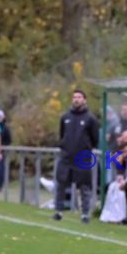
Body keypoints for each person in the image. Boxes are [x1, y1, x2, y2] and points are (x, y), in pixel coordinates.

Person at [52, 90, 99, 223]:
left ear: (84, 100)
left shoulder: (90, 119)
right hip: (66, 156)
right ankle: (58, 211)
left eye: (79, 97)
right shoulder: (65, 117)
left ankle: (85, 214)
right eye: (74, 97)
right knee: (61, 183)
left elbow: (94, 139)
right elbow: (62, 135)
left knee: (84, 186)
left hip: (82, 158)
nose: (76, 99)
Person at [0, 109, 12, 192]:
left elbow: (9, 140)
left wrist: (2, 147)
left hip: (2, 151)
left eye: (0, 116)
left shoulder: (5, 128)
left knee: (0, 168)